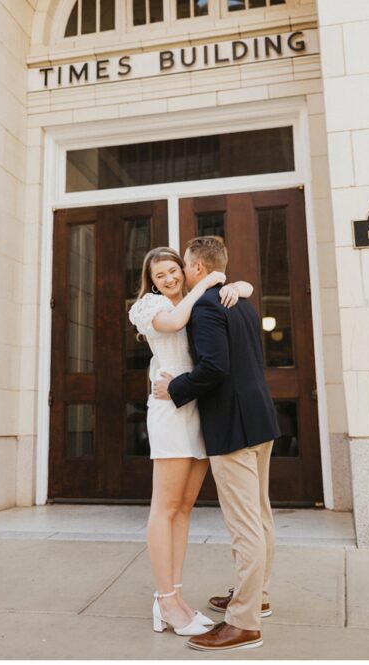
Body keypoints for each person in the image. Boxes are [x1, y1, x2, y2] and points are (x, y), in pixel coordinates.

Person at [152, 236, 280, 652]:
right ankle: (255, 596)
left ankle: (243, 623)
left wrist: (175, 387)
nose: (181, 274)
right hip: (260, 420)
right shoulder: (239, 301)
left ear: (198, 269)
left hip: (233, 426)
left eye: (184, 267)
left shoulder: (208, 305)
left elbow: (214, 368)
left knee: (245, 526)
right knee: (259, 517)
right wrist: (239, 285)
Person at [128, 246, 253, 636]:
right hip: (169, 406)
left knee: (184, 508)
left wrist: (237, 286)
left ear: (184, 271)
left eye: (173, 271)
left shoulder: (195, 298)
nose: (168, 279)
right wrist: (212, 284)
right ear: (150, 281)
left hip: (198, 406)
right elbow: (176, 321)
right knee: (164, 508)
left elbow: (241, 290)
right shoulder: (147, 308)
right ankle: (165, 601)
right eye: (159, 275)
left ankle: (177, 596)